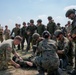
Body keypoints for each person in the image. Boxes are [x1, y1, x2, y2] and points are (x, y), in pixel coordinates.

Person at [65, 9, 76, 75]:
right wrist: (70, 34)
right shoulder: (74, 21)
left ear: (72, 14)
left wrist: (71, 37)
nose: (69, 18)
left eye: (69, 16)